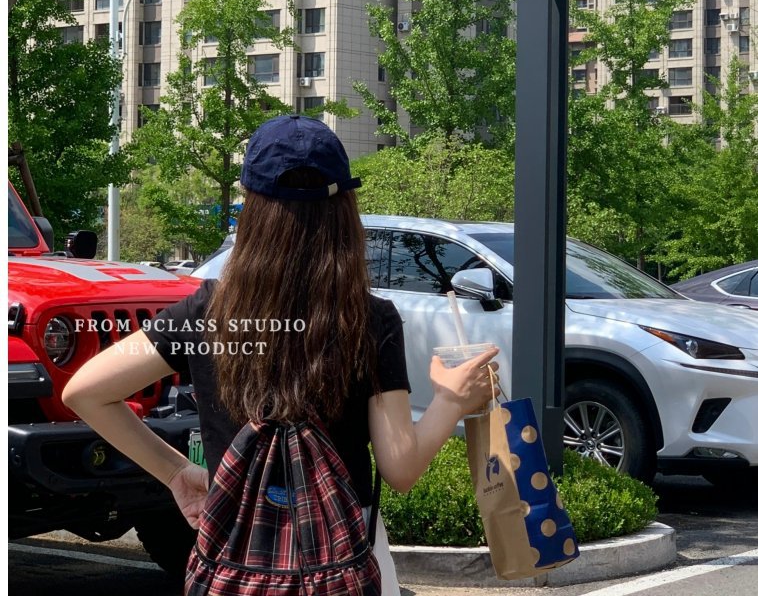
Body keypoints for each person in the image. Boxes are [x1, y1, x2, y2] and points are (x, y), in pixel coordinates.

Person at [63, 115, 499, 595]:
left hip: (234, 562)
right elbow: (400, 468)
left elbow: (86, 392)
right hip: (339, 560)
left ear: (251, 209)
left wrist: (177, 473)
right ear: (343, 212)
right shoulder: (369, 320)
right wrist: (451, 400)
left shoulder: (205, 312)